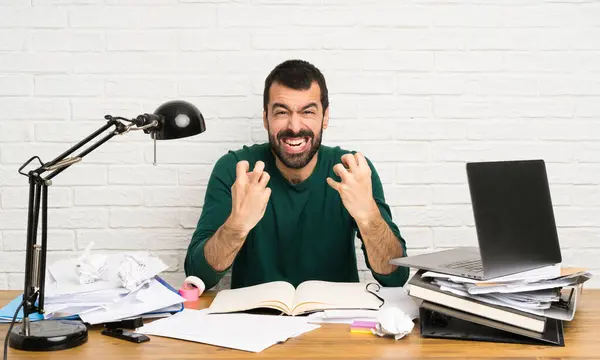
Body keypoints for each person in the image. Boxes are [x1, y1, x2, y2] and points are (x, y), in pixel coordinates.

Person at [184, 59, 409, 290]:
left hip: (336, 321)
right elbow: (199, 276)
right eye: (281, 112)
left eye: (308, 112)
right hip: (254, 320)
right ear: (265, 118)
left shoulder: (353, 171)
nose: (294, 126)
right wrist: (237, 225)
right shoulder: (236, 169)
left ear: (326, 117)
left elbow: (395, 276)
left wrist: (368, 216)